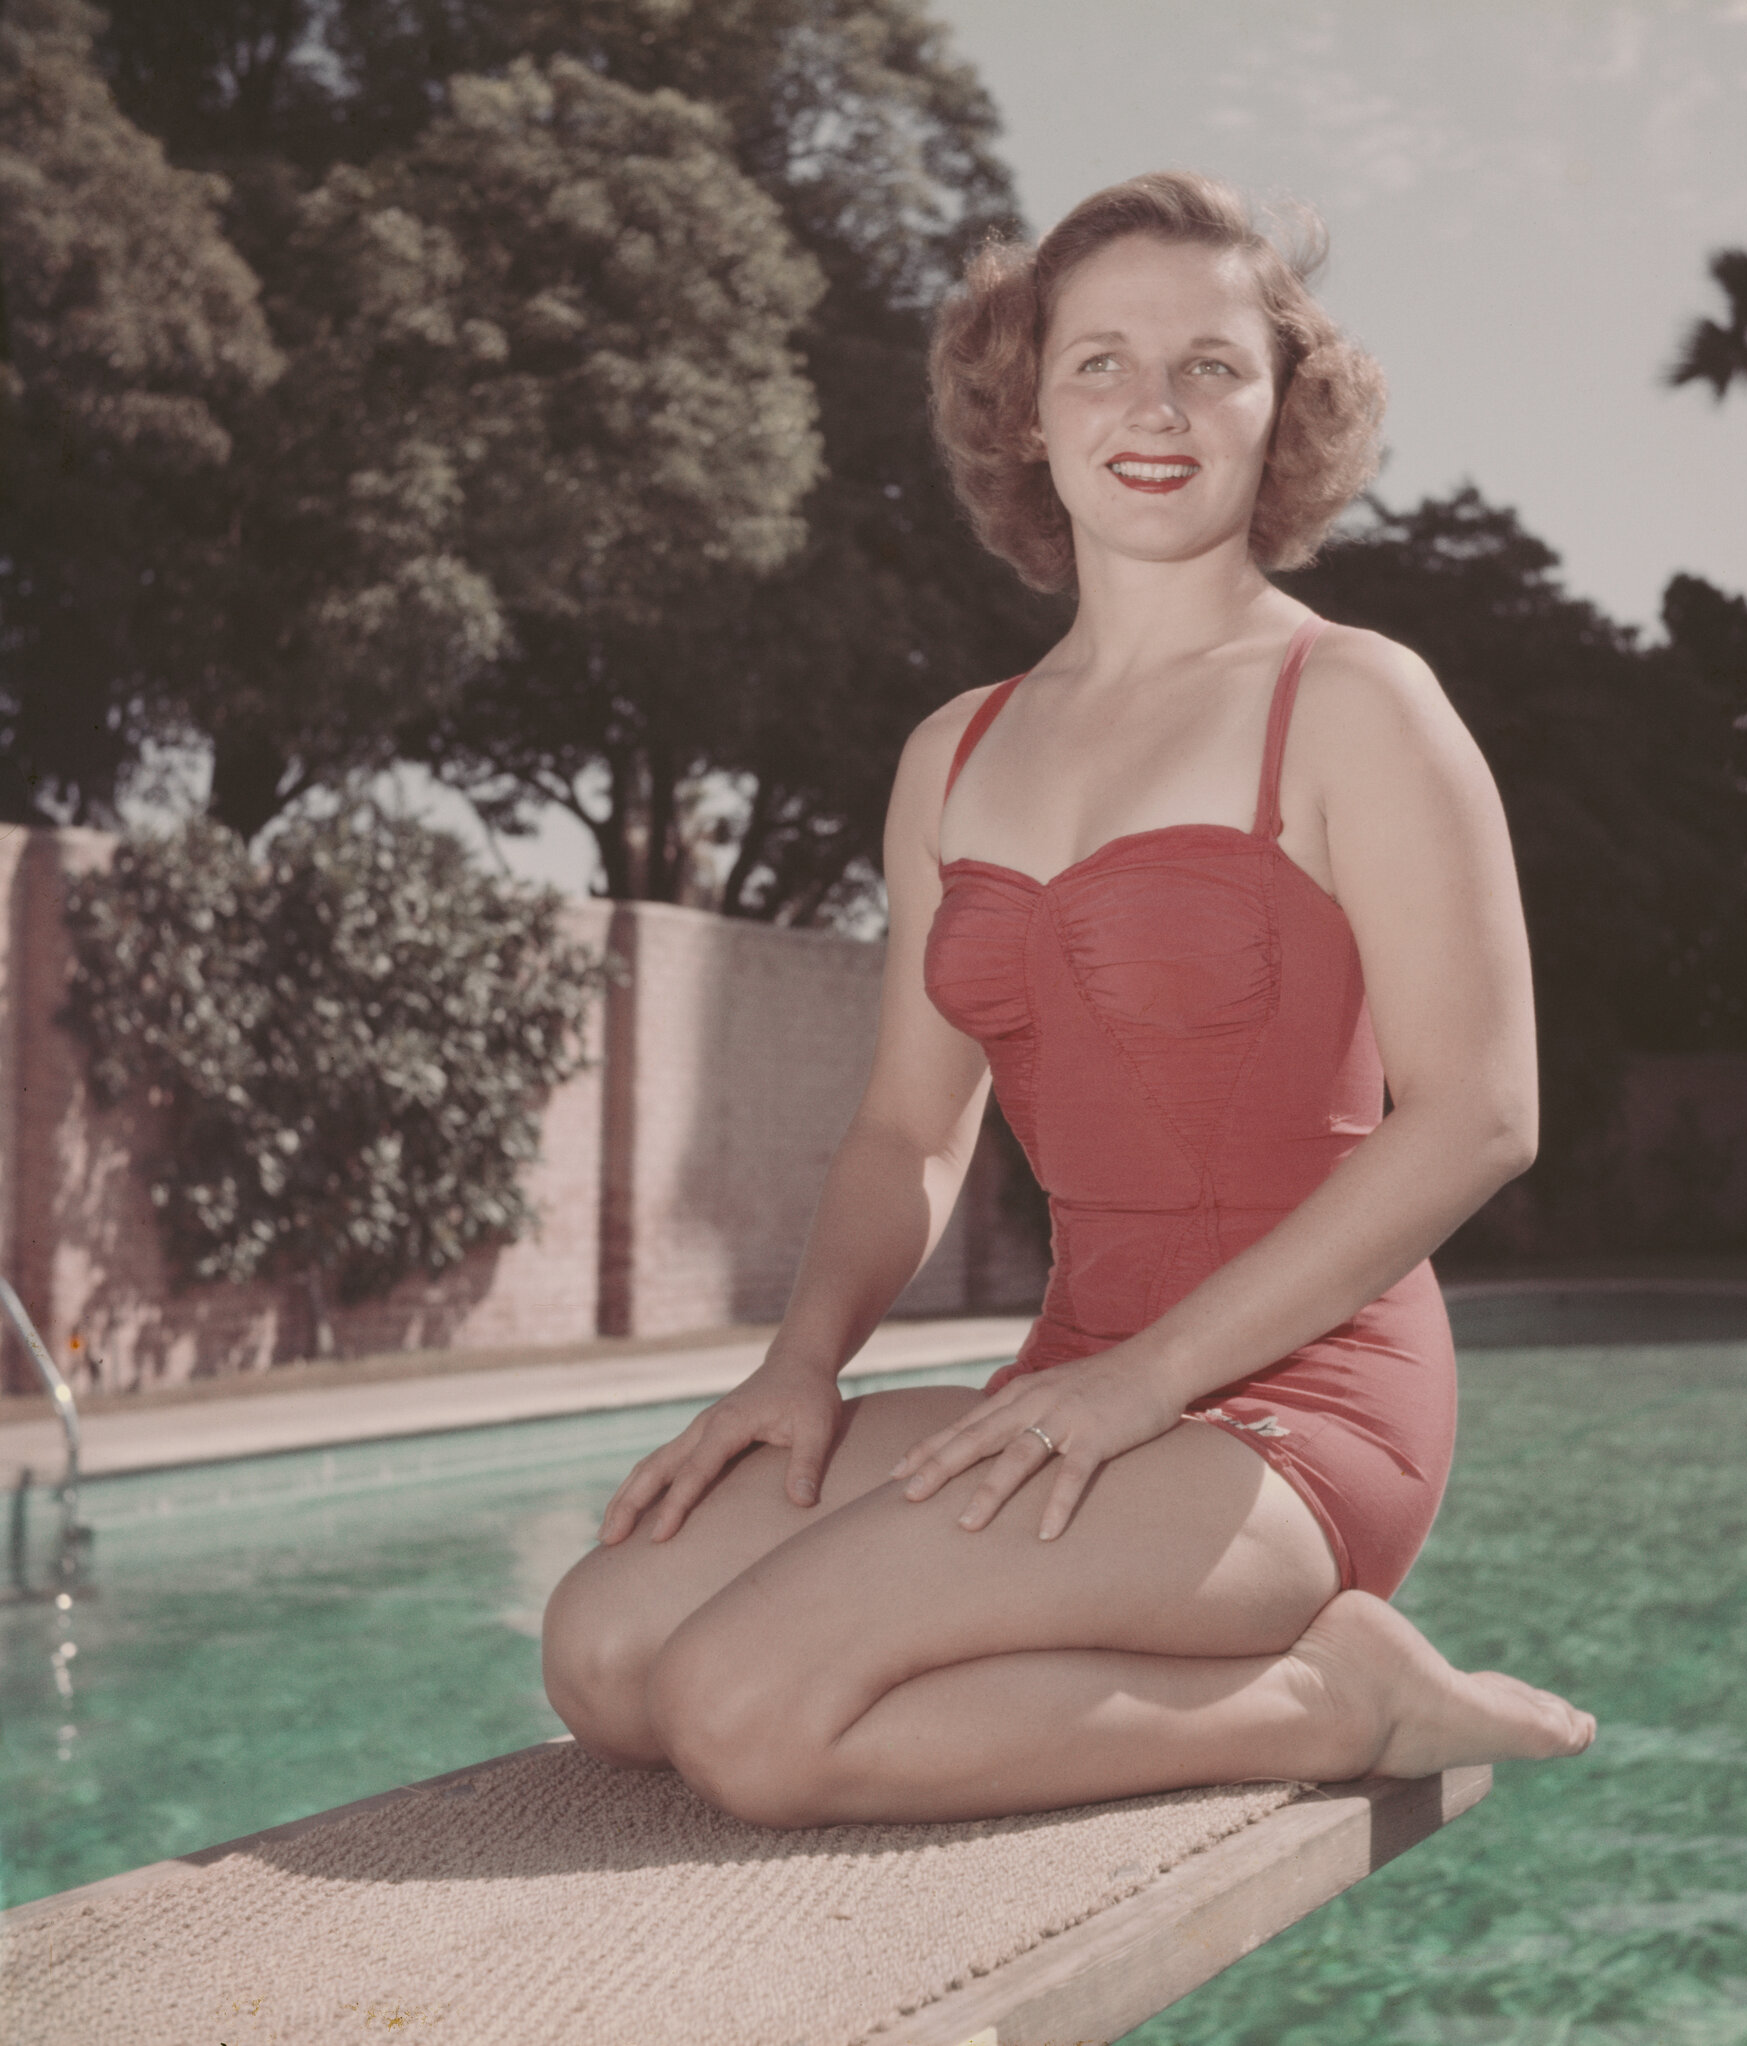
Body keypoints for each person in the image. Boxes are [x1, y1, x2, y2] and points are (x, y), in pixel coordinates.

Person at [541, 171, 1594, 1829]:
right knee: (604, 1652)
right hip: (1075, 1370)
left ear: (1282, 408)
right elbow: (907, 1124)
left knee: (749, 1714)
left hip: (1299, 1407)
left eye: (1211, 365)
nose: (1153, 408)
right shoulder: (952, 752)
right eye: (1099, 361)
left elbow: (1482, 1112)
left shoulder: (1355, 701)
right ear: (1027, 409)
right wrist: (800, 1361)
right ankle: (1220, 1657)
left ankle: (1336, 1688)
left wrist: (1147, 1382)